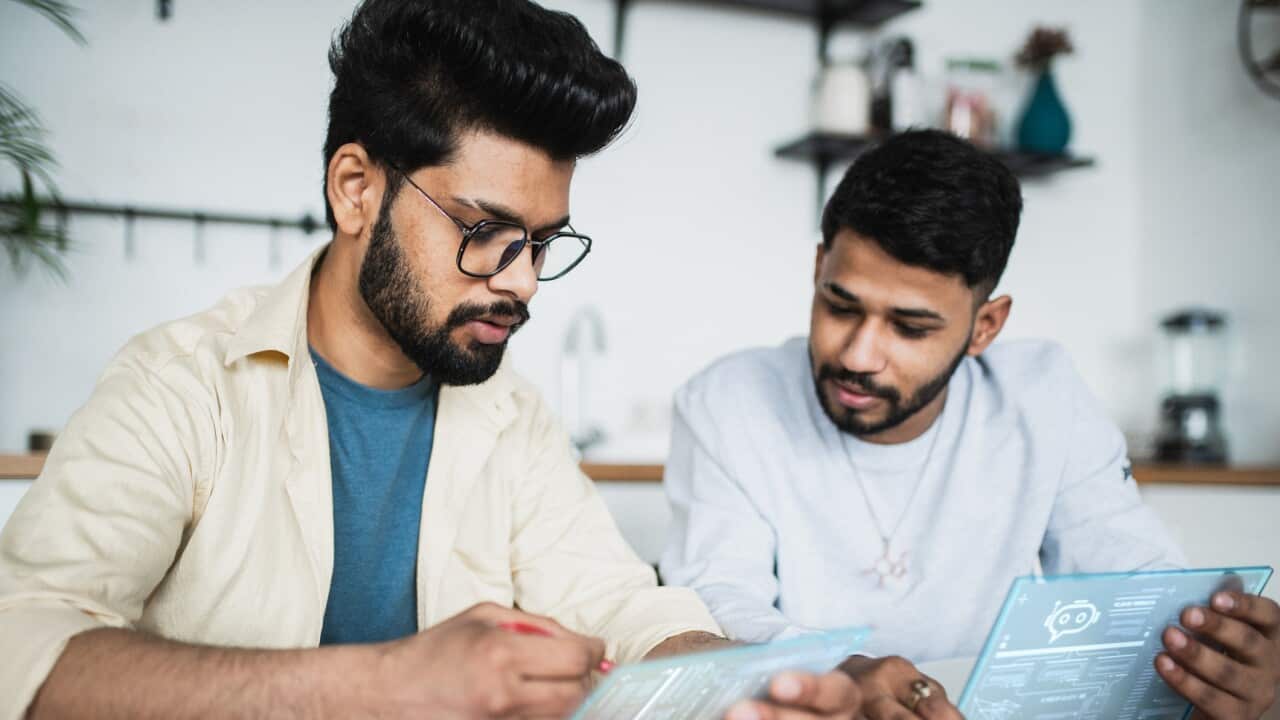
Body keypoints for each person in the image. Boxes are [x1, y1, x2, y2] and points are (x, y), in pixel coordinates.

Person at [0, 2, 862, 718]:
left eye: (541, 243)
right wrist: (387, 681)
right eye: (485, 232)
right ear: (355, 188)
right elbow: (22, 646)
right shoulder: (181, 386)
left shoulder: (510, 418)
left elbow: (626, 608)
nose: (523, 283)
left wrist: (748, 689)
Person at [660, 129, 1280, 720]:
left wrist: (1217, 653)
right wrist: (835, 673)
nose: (857, 354)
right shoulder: (727, 403)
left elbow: (1136, 581)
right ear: (819, 266)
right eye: (840, 305)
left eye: (910, 327)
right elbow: (716, 609)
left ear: (985, 327)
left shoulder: (1044, 397)